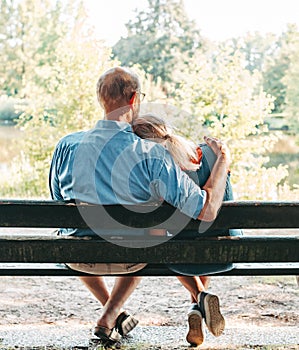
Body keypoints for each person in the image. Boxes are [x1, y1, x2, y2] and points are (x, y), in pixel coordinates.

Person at [49, 66, 231, 346]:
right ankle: (190, 300)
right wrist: (223, 161)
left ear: (101, 100)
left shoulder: (66, 146)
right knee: (151, 234)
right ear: (134, 99)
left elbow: (58, 204)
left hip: (78, 256)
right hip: (132, 258)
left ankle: (112, 313)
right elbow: (205, 210)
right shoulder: (150, 153)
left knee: (77, 233)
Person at [133, 113, 243, 346]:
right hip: (226, 252)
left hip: (180, 259)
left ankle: (200, 298)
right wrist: (224, 157)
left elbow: (156, 232)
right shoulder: (210, 153)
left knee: (166, 243)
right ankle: (197, 305)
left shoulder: (156, 168)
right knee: (200, 239)